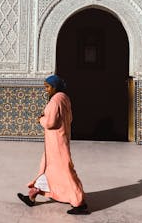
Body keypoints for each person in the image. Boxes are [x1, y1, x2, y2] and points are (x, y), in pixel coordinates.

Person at [17, 75, 89, 215]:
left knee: (65, 171)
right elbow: (69, 118)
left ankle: (80, 203)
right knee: (47, 169)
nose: (46, 90)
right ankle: (32, 196)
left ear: (55, 87)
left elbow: (50, 123)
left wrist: (41, 120)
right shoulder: (65, 98)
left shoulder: (55, 101)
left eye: (48, 87)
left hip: (56, 143)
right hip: (58, 140)